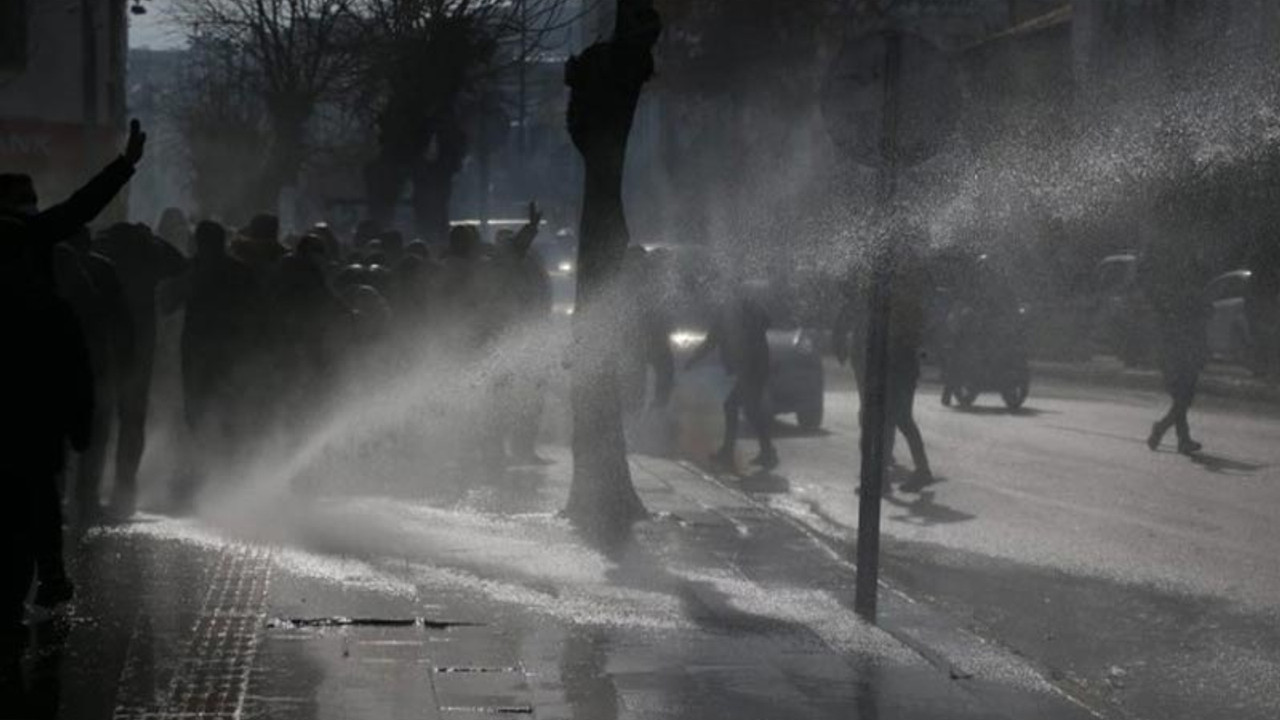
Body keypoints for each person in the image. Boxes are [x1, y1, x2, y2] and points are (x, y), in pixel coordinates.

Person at [0, 218, 94, 624]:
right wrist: (80, 424)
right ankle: (48, 575)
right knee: (39, 502)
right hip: (38, 427)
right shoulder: (49, 303)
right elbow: (76, 369)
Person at [95, 222, 188, 516]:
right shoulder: (150, 253)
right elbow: (180, 263)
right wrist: (151, 238)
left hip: (106, 346)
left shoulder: (103, 252)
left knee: (101, 420)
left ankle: (89, 489)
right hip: (139, 349)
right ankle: (125, 491)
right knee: (132, 421)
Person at [179, 221, 266, 503]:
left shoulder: (194, 270)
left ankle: (211, 477)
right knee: (226, 414)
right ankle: (224, 477)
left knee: (201, 414)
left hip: (204, 354)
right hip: (228, 355)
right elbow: (258, 314)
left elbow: (168, 304)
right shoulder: (239, 272)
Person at [54, 228, 134, 525]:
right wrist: (127, 360)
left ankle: (58, 497)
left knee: (58, 434)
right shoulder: (102, 269)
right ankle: (86, 498)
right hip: (94, 364)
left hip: (60, 363)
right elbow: (121, 319)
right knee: (95, 434)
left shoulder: (51, 266)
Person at [832, 251, 933, 482]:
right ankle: (887, 470)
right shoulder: (886, 300)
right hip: (886, 367)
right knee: (891, 418)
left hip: (890, 368)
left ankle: (883, 472)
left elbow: (905, 336)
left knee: (887, 418)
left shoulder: (893, 303)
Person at [686, 278, 777, 471]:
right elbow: (711, 342)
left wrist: (693, 360)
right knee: (747, 409)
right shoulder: (732, 312)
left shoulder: (745, 309)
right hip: (753, 368)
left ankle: (734, 453)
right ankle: (766, 453)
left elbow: (766, 322)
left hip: (753, 368)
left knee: (734, 406)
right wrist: (693, 360)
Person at [1144, 245, 1211, 454]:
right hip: (1181, 354)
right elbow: (1201, 318)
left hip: (1175, 353)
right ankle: (1162, 428)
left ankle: (1182, 439)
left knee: (1181, 398)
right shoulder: (1188, 295)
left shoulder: (1175, 293)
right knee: (1184, 398)